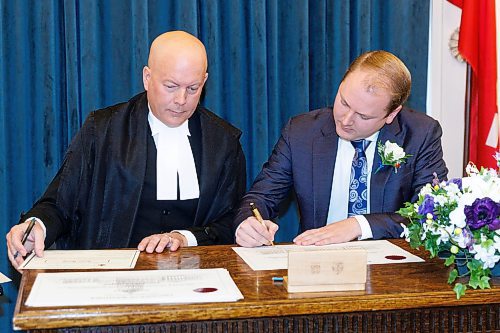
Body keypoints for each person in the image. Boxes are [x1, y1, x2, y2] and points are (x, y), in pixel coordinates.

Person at [7, 31, 246, 269]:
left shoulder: (223, 142)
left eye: (192, 88)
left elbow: (231, 221)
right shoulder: (102, 131)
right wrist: (37, 226)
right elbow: (60, 204)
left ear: (204, 82)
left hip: (196, 281)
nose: (181, 99)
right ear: (147, 77)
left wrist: (185, 238)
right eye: (171, 86)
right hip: (111, 280)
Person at [235, 50, 448, 247]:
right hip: (317, 264)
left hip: (392, 267)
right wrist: (249, 223)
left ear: (391, 115)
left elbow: (432, 214)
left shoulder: (420, 134)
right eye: (344, 102)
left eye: (363, 116)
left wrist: (359, 225)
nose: (346, 120)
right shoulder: (302, 132)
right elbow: (261, 198)